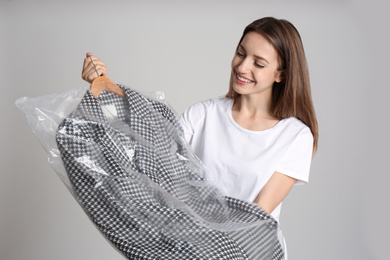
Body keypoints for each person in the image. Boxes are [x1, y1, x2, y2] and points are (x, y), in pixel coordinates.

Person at [81, 17, 318, 258]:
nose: (242, 67)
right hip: (187, 247)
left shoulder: (294, 136)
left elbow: (256, 217)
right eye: (240, 53)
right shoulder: (204, 114)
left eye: (259, 63)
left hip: (248, 252)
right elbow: (153, 153)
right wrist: (103, 85)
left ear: (281, 74)